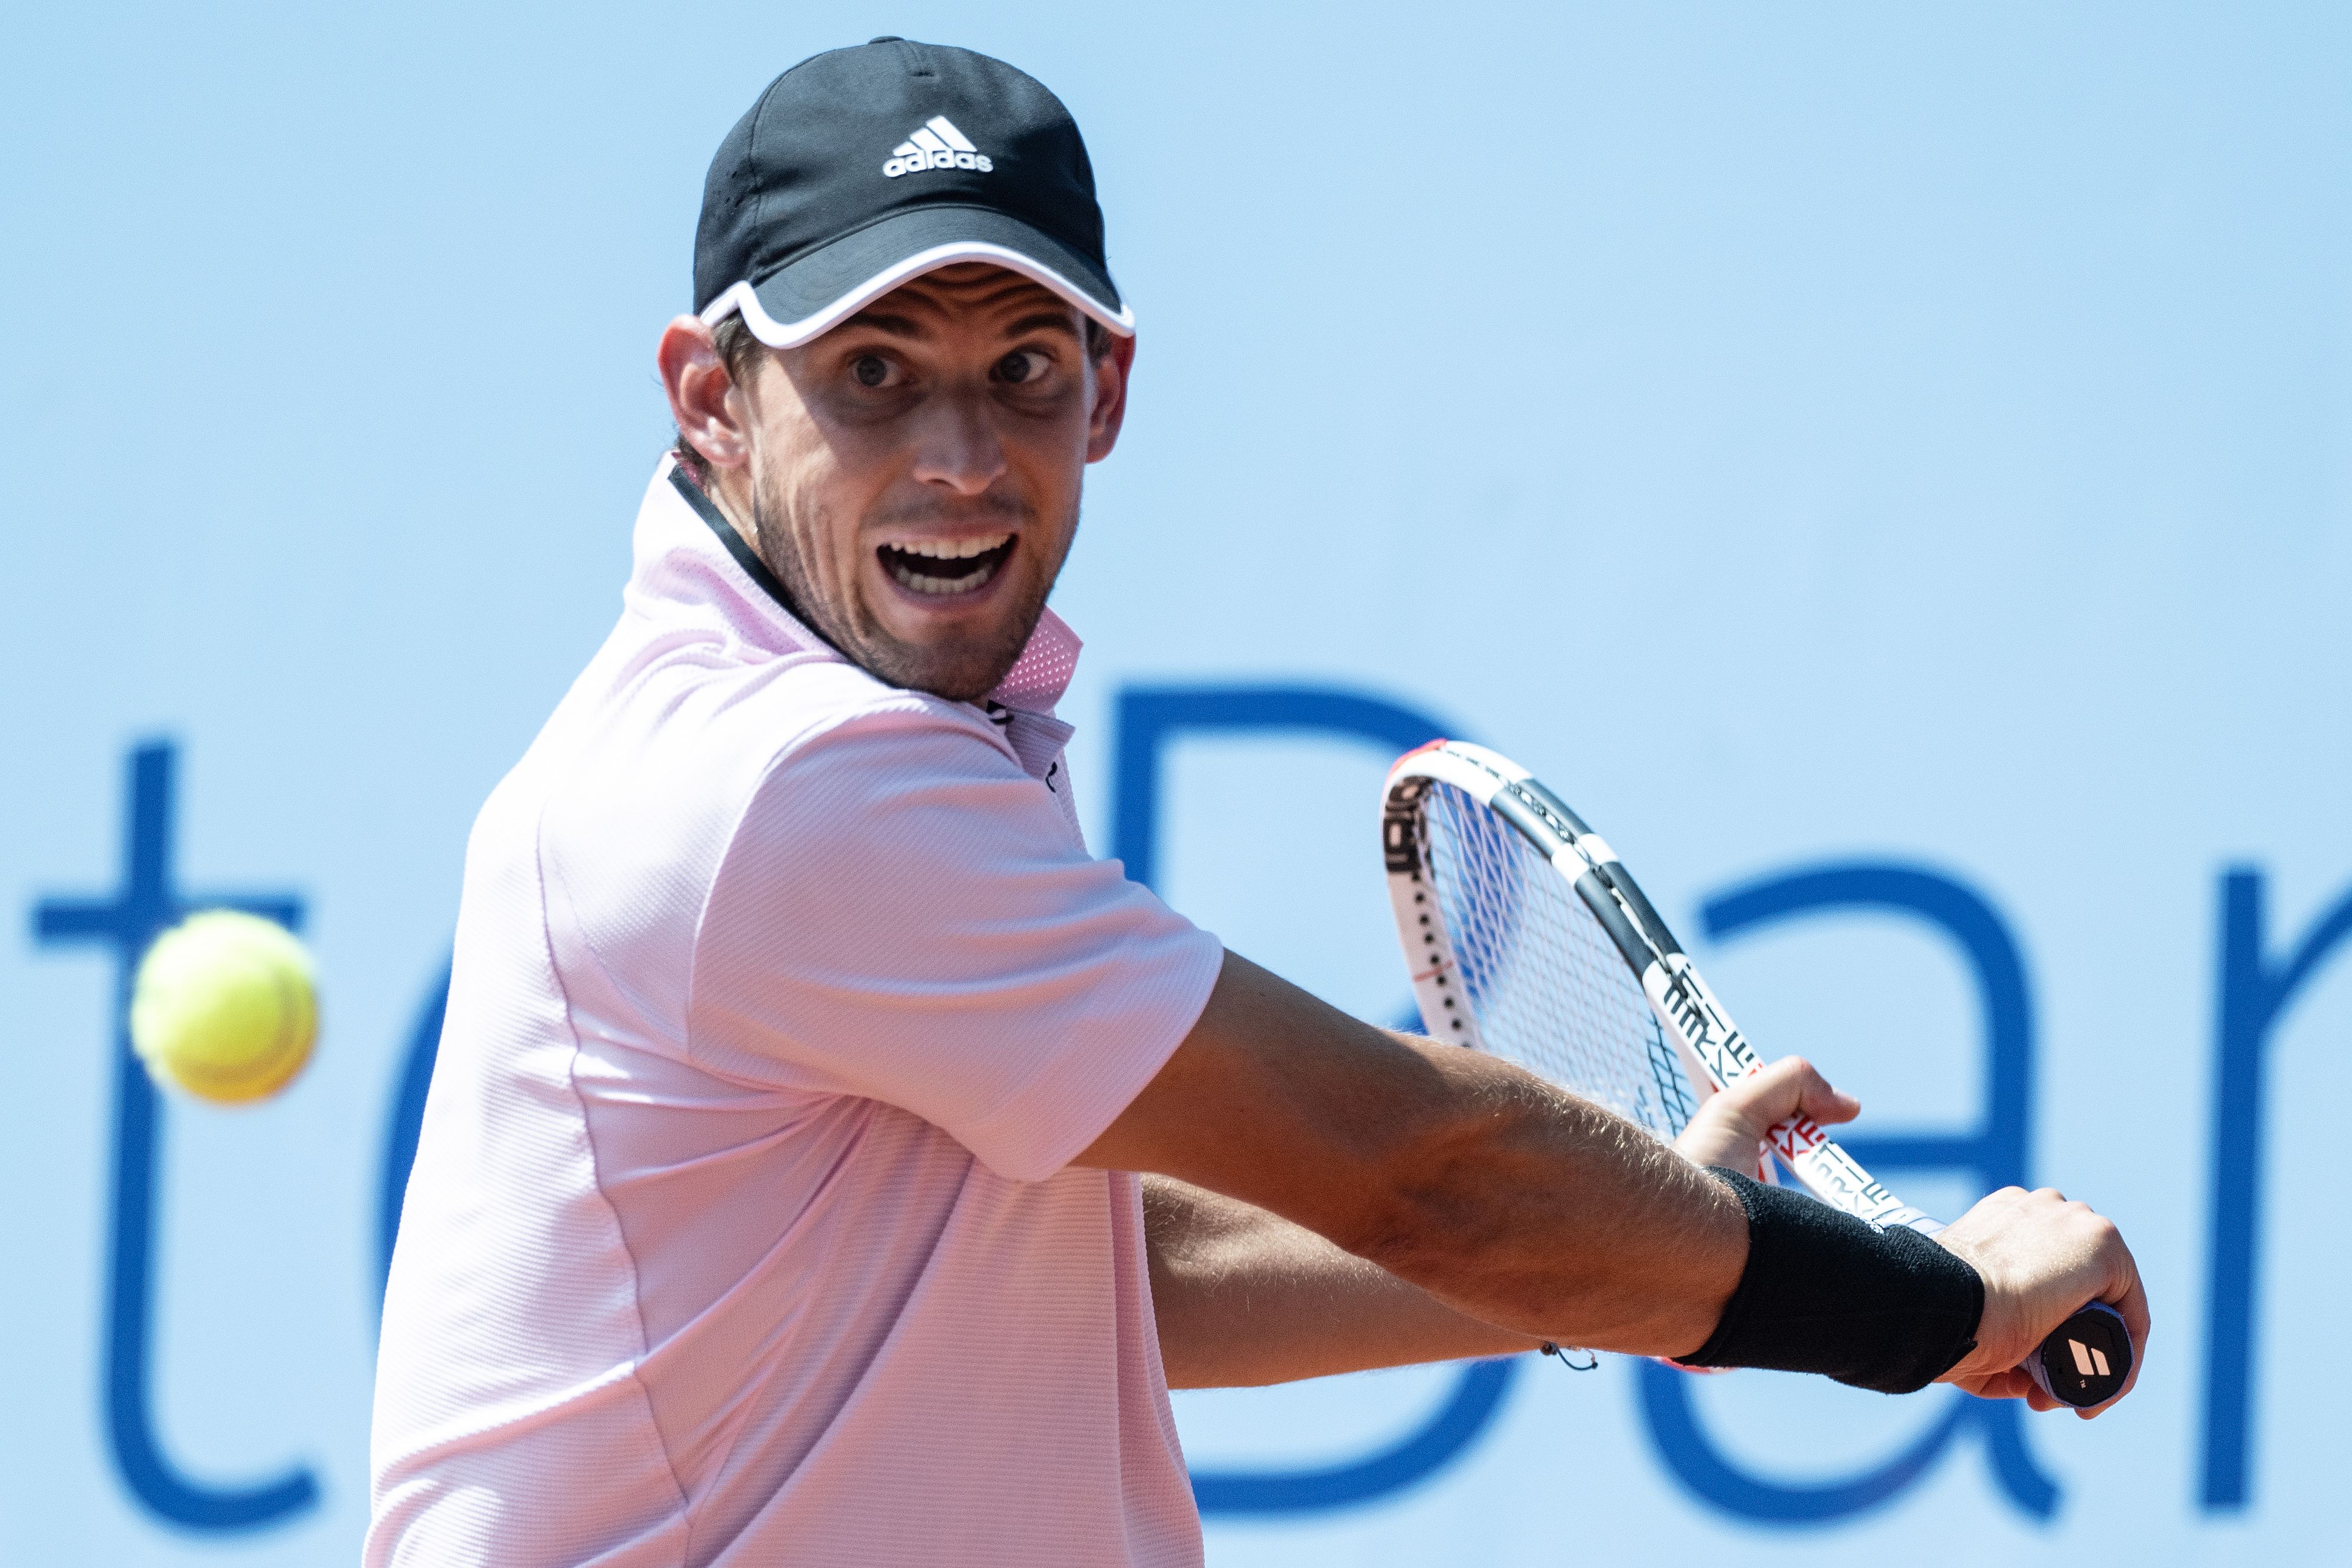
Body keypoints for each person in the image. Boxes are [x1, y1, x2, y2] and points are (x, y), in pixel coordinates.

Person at [366, 37, 2146, 1567]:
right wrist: (1935, 1304)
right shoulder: (788, 782)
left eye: (1022, 369)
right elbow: (1419, 1167)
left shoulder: (781, 735)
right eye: (874, 375)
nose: (960, 460)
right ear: (712, 401)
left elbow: (1077, 1268)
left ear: (1108, 391)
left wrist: (1650, 1244)